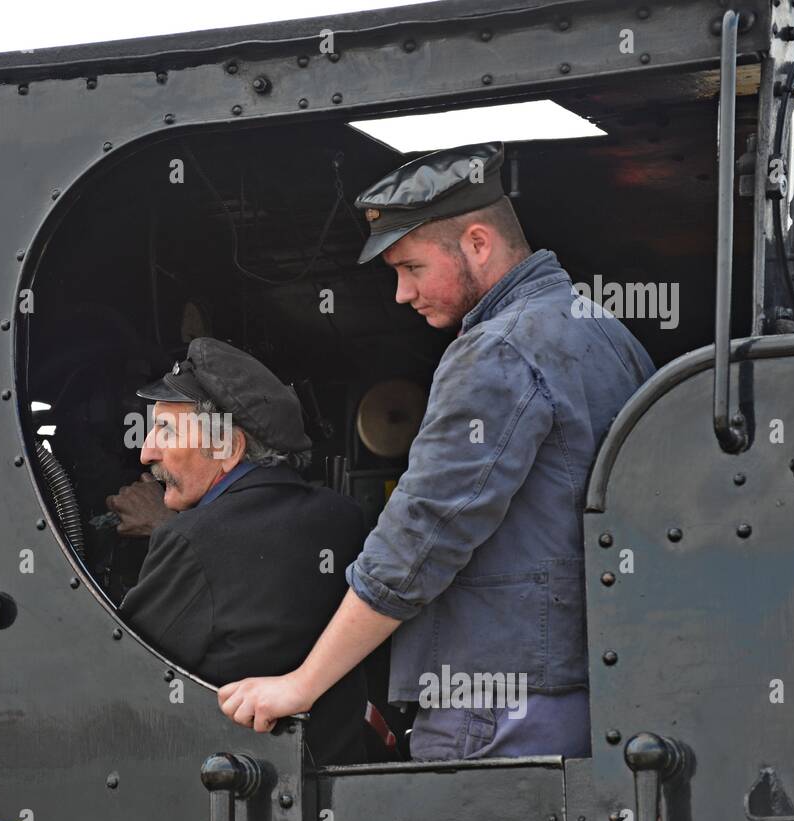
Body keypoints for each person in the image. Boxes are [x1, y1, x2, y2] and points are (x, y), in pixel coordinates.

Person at [217, 142, 657, 761]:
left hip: (493, 705)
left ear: (478, 242)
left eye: (411, 268)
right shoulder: (605, 331)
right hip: (586, 692)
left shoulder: (496, 350)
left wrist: (302, 683)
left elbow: (422, 533)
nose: (400, 294)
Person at [109, 338, 370, 766]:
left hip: (241, 784)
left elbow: (129, 678)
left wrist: (171, 531)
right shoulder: (344, 516)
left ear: (227, 448)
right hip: (339, 772)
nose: (146, 451)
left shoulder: (191, 540)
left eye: (167, 431)